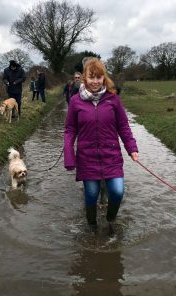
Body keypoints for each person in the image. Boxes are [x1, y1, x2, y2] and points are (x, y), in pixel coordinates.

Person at [64, 58, 139, 231]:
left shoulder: (113, 99)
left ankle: (111, 220)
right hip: (86, 157)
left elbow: (123, 126)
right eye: (91, 77)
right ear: (85, 78)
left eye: (99, 77)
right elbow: (69, 130)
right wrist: (69, 155)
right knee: (90, 194)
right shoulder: (75, 101)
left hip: (111, 156)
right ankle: (92, 226)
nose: (95, 81)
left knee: (118, 192)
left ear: (104, 78)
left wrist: (132, 148)